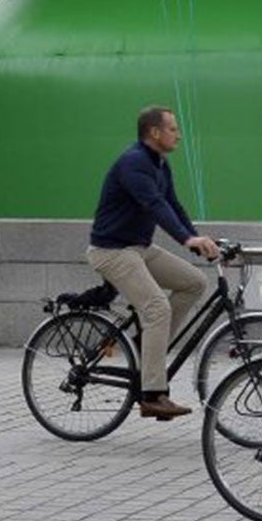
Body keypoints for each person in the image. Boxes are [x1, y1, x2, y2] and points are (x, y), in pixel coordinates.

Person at [86, 106, 221, 421]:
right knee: (157, 308)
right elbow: (154, 204)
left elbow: (173, 204)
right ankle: (152, 395)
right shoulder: (134, 163)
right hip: (112, 251)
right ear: (154, 132)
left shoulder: (160, 164)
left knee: (194, 282)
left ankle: (147, 344)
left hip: (138, 248)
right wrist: (186, 240)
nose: (178, 134)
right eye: (173, 129)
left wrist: (196, 238)